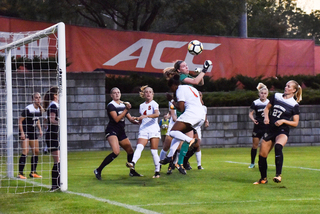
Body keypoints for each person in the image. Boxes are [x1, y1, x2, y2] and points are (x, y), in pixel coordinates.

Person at [253, 80, 302, 185]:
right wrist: (266, 118)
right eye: (286, 85)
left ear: (294, 90)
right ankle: (263, 179)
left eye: (289, 86)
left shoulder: (294, 105)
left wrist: (284, 121)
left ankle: (278, 175)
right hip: (270, 129)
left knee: (278, 146)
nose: (286, 87)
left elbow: (295, 123)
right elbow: (267, 109)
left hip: (282, 130)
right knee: (262, 155)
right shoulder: (276, 96)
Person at [160, 74, 206, 174]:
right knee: (178, 135)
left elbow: (181, 108)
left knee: (172, 132)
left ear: (174, 85)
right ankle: (169, 157)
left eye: (170, 87)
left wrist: (171, 100)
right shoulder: (190, 87)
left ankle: (190, 140)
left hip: (192, 114)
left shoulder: (179, 90)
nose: (171, 90)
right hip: (200, 115)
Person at [94, 87, 142, 180]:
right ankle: (98, 170)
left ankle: (132, 171)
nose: (117, 94)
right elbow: (116, 119)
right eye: (115, 93)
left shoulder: (123, 104)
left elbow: (130, 118)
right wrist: (126, 109)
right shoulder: (111, 105)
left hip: (121, 131)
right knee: (116, 152)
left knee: (130, 151)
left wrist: (138, 121)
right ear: (111, 95)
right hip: (112, 130)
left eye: (118, 92)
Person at [126, 86, 161, 178]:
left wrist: (146, 116)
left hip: (153, 129)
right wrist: (136, 120)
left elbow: (157, 114)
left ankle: (157, 171)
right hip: (144, 129)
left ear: (153, 94)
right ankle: (133, 163)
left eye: (150, 92)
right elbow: (141, 120)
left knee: (154, 151)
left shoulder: (154, 104)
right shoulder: (141, 106)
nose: (148, 93)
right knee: (139, 147)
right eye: (146, 92)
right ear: (144, 94)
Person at [17, 92, 43, 179]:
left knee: (36, 151)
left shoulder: (39, 109)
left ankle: (33, 172)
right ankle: (20, 173)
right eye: (36, 97)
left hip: (33, 131)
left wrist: (39, 129)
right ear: (33, 99)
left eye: (39, 97)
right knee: (25, 151)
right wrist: (22, 133)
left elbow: (37, 120)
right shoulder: (28, 109)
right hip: (25, 131)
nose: (38, 99)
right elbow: (20, 121)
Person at [183, 91, 209, 170]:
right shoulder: (191, 106)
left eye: (200, 95)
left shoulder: (204, 107)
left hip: (198, 128)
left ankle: (198, 165)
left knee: (197, 146)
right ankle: (182, 162)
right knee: (188, 145)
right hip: (191, 127)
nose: (199, 96)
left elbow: (204, 116)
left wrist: (206, 121)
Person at [248, 83, 269, 168]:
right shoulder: (255, 103)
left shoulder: (269, 103)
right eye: (261, 93)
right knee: (255, 145)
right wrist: (253, 120)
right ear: (259, 94)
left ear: (267, 94)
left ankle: (263, 162)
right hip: (258, 126)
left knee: (265, 146)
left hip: (266, 127)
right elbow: (250, 114)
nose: (263, 95)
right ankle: (252, 163)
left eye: (265, 93)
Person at [43, 86, 60, 191]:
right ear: (55, 95)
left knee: (59, 160)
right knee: (57, 160)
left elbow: (46, 120)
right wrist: (60, 122)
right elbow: (51, 119)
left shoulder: (54, 105)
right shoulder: (53, 105)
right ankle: (54, 185)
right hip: (52, 135)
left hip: (54, 133)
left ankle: (58, 184)